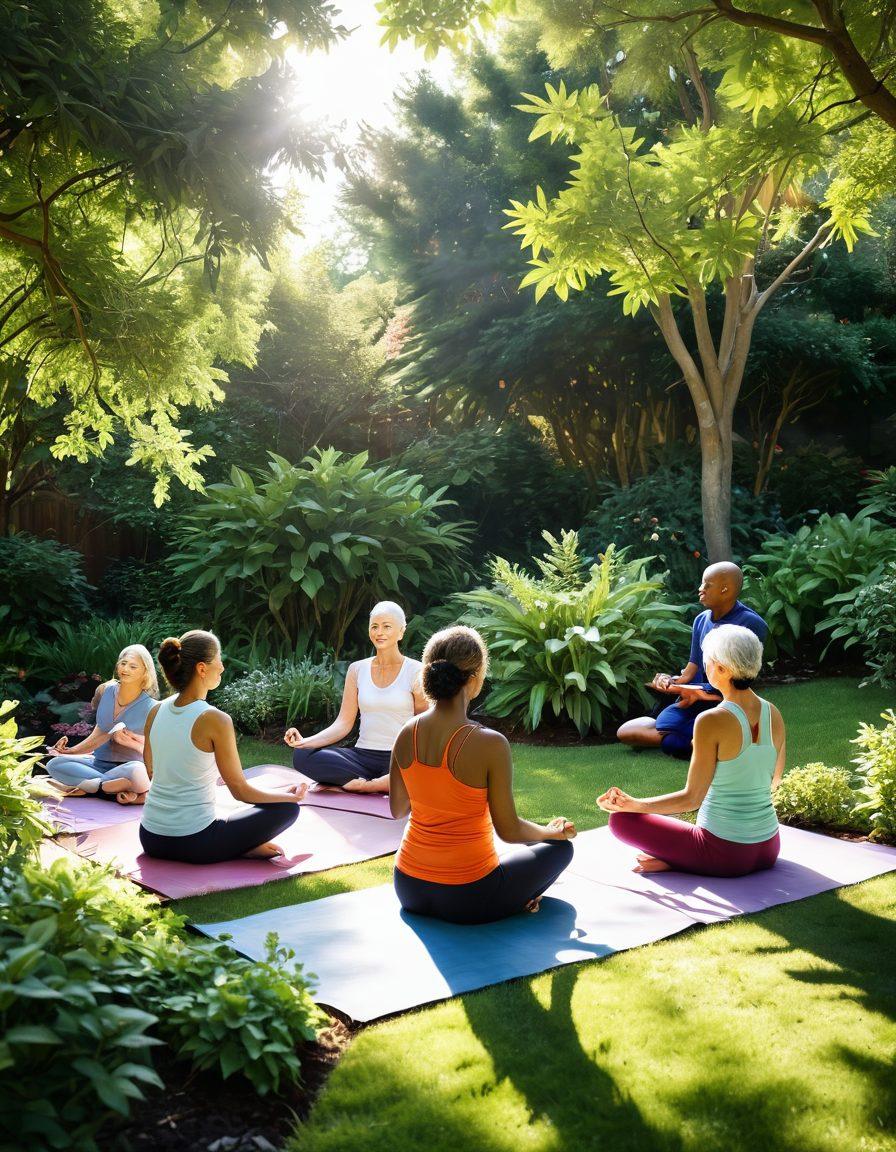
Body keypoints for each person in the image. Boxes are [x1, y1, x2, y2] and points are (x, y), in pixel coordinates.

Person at [391, 625, 577, 924]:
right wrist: (550, 833)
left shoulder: (406, 732)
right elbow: (509, 830)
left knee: (530, 844)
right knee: (559, 850)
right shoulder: (490, 743)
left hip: (409, 887)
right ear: (475, 679)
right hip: (468, 896)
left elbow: (398, 809)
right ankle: (521, 898)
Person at [599, 624, 784, 877]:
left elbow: (691, 799)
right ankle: (680, 858)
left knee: (621, 820)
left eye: (707, 661)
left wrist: (635, 804)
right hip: (769, 846)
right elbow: (774, 782)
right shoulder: (772, 712)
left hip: (725, 854)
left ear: (721, 668)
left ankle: (680, 860)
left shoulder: (711, 720)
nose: (705, 668)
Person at [140, 631, 305, 863]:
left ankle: (238, 846)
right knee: (288, 810)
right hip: (194, 842)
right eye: (218, 659)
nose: (222, 667)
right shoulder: (215, 719)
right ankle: (241, 847)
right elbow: (240, 791)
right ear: (201, 668)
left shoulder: (155, 711)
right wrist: (286, 797)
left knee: (266, 808)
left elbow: (151, 772)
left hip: (150, 837)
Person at [617, 561, 767, 759]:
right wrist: (669, 681)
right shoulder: (701, 620)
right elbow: (690, 671)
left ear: (725, 589)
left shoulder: (751, 624)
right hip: (693, 699)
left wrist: (700, 693)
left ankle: (705, 739)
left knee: (673, 743)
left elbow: (744, 682)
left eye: (707, 585)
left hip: (725, 702)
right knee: (626, 732)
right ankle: (703, 740)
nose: (700, 589)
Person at [285, 601, 426, 793]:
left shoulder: (416, 671)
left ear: (401, 632)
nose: (379, 632)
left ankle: (369, 784)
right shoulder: (357, 669)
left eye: (387, 626)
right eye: (374, 626)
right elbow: (343, 723)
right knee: (302, 756)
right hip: (362, 757)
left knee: (418, 770)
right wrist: (305, 742)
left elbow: (424, 728)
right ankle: (377, 783)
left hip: (399, 758)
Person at [45, 645, 158, 804]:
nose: (125, 669)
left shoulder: (152, 707)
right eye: (123, 663)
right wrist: (70, 751)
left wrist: (129, 742)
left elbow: (155, 753)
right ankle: (106, 786)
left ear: (145, 672)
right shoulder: (108, 692)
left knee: (138, 771)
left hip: (126, 768)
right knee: (54, 764)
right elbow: (98, 734)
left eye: (133, 666)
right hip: (97, 764)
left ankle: (94, 786)